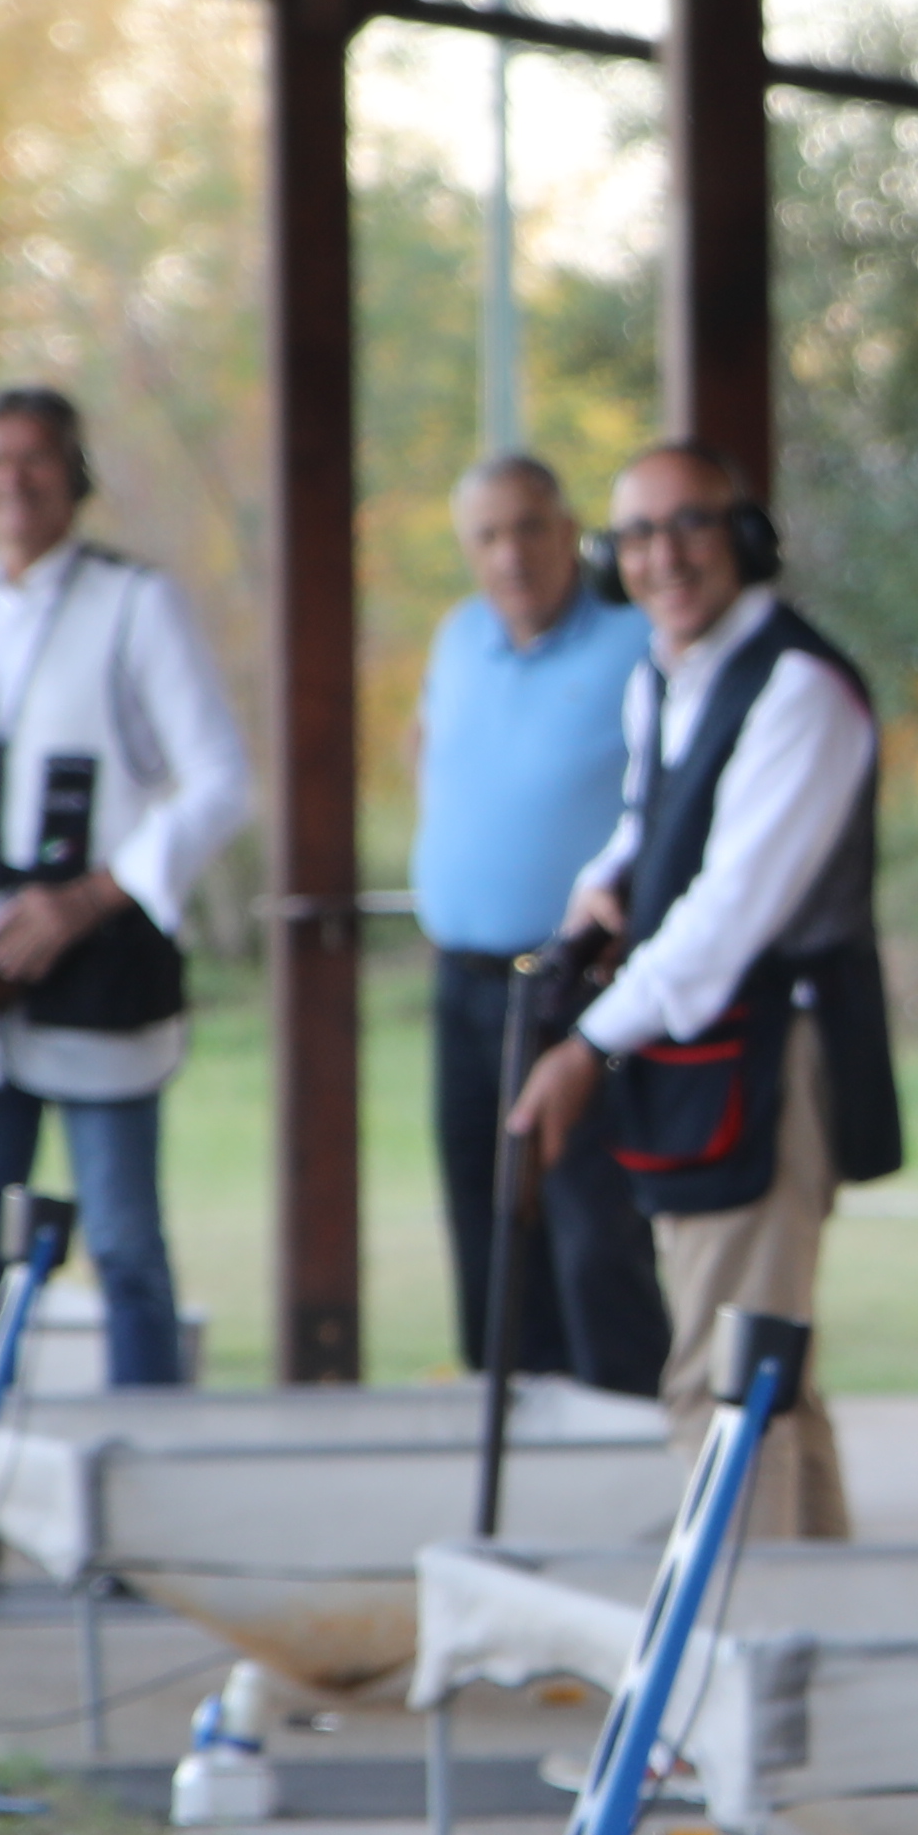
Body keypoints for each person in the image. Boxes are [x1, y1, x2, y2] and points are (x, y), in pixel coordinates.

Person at [506, 447, 903, 1539]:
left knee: (725, 1384)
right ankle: (810, 1639)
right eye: (636, 534)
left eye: (689, 525)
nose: (663, 556)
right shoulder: (663, 675)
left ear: (745, 537)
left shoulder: (797, 689)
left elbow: (732, 912)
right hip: (702, 1059)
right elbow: (653, 828)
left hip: (771, 1059)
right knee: (768, 1372)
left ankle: (740, 1650)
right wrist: (601, 888)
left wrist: (586, 1045)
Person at [0, 384, 238, 1389]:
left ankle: (144, 1507)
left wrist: (91, 896)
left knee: (123, 1246)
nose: (16, 479)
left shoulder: (137, 601)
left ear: (73, 474)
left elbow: (219, 782)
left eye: (37, 457)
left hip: (103, 958)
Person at [413, 451, 670, 1402]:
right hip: (465, 980)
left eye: (529, 527)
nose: (510, 553)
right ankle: (509, 1437)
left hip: (579, 986)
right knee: (483, 1222)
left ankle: (623, 1438)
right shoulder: (456, 640)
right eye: (487, 535)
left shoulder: (635, 643)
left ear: (569, 533)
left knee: (591, 1230)